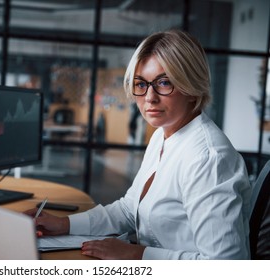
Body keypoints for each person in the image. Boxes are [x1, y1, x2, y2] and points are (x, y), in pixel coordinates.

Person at [25, 29, 252, 260]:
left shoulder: (207, 158)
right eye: (141, 84)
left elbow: (226, 265)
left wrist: (138, 255)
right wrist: (64, 224)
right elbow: (127, 209)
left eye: (164, 83)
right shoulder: (162, 136)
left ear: (192, 88)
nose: (149, 97)